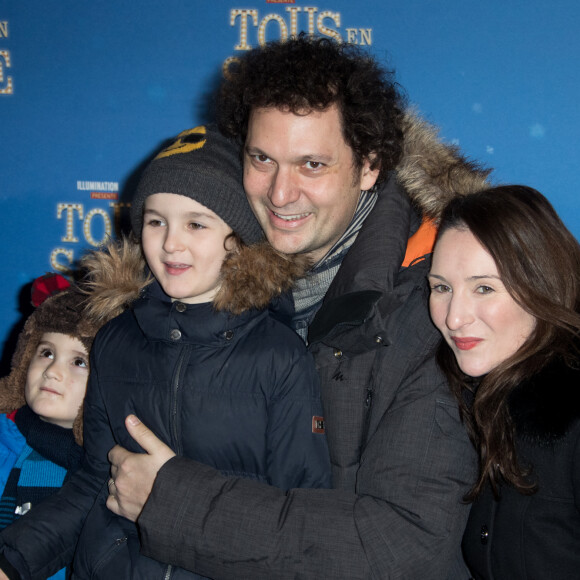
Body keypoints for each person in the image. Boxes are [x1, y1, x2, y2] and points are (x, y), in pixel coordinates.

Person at [104, 36, 494, 579]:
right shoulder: (197, 273)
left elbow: (404, 543)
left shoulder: (433, 310)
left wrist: (176, 504)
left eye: (311, 164)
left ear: (369, 167)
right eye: (262, 159)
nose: (280, 194)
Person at [0, 125, 331, 578]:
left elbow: (301, 514)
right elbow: (94, 482)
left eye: (196, 223)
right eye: (156, 221)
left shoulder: (280, 359)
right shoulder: (116, 340)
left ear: (239, 238)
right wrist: (13, 561)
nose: (171, 243)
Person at [428, 185, 580, 580]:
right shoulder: (462, 396)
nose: (454, 317)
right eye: (441, 287)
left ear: (540, 286)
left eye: (484, 288)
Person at [0, 273, 107, 579]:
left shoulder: (113, 471)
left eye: (79, 362)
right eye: (46, 352)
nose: (52, 372)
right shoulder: (5, 439)